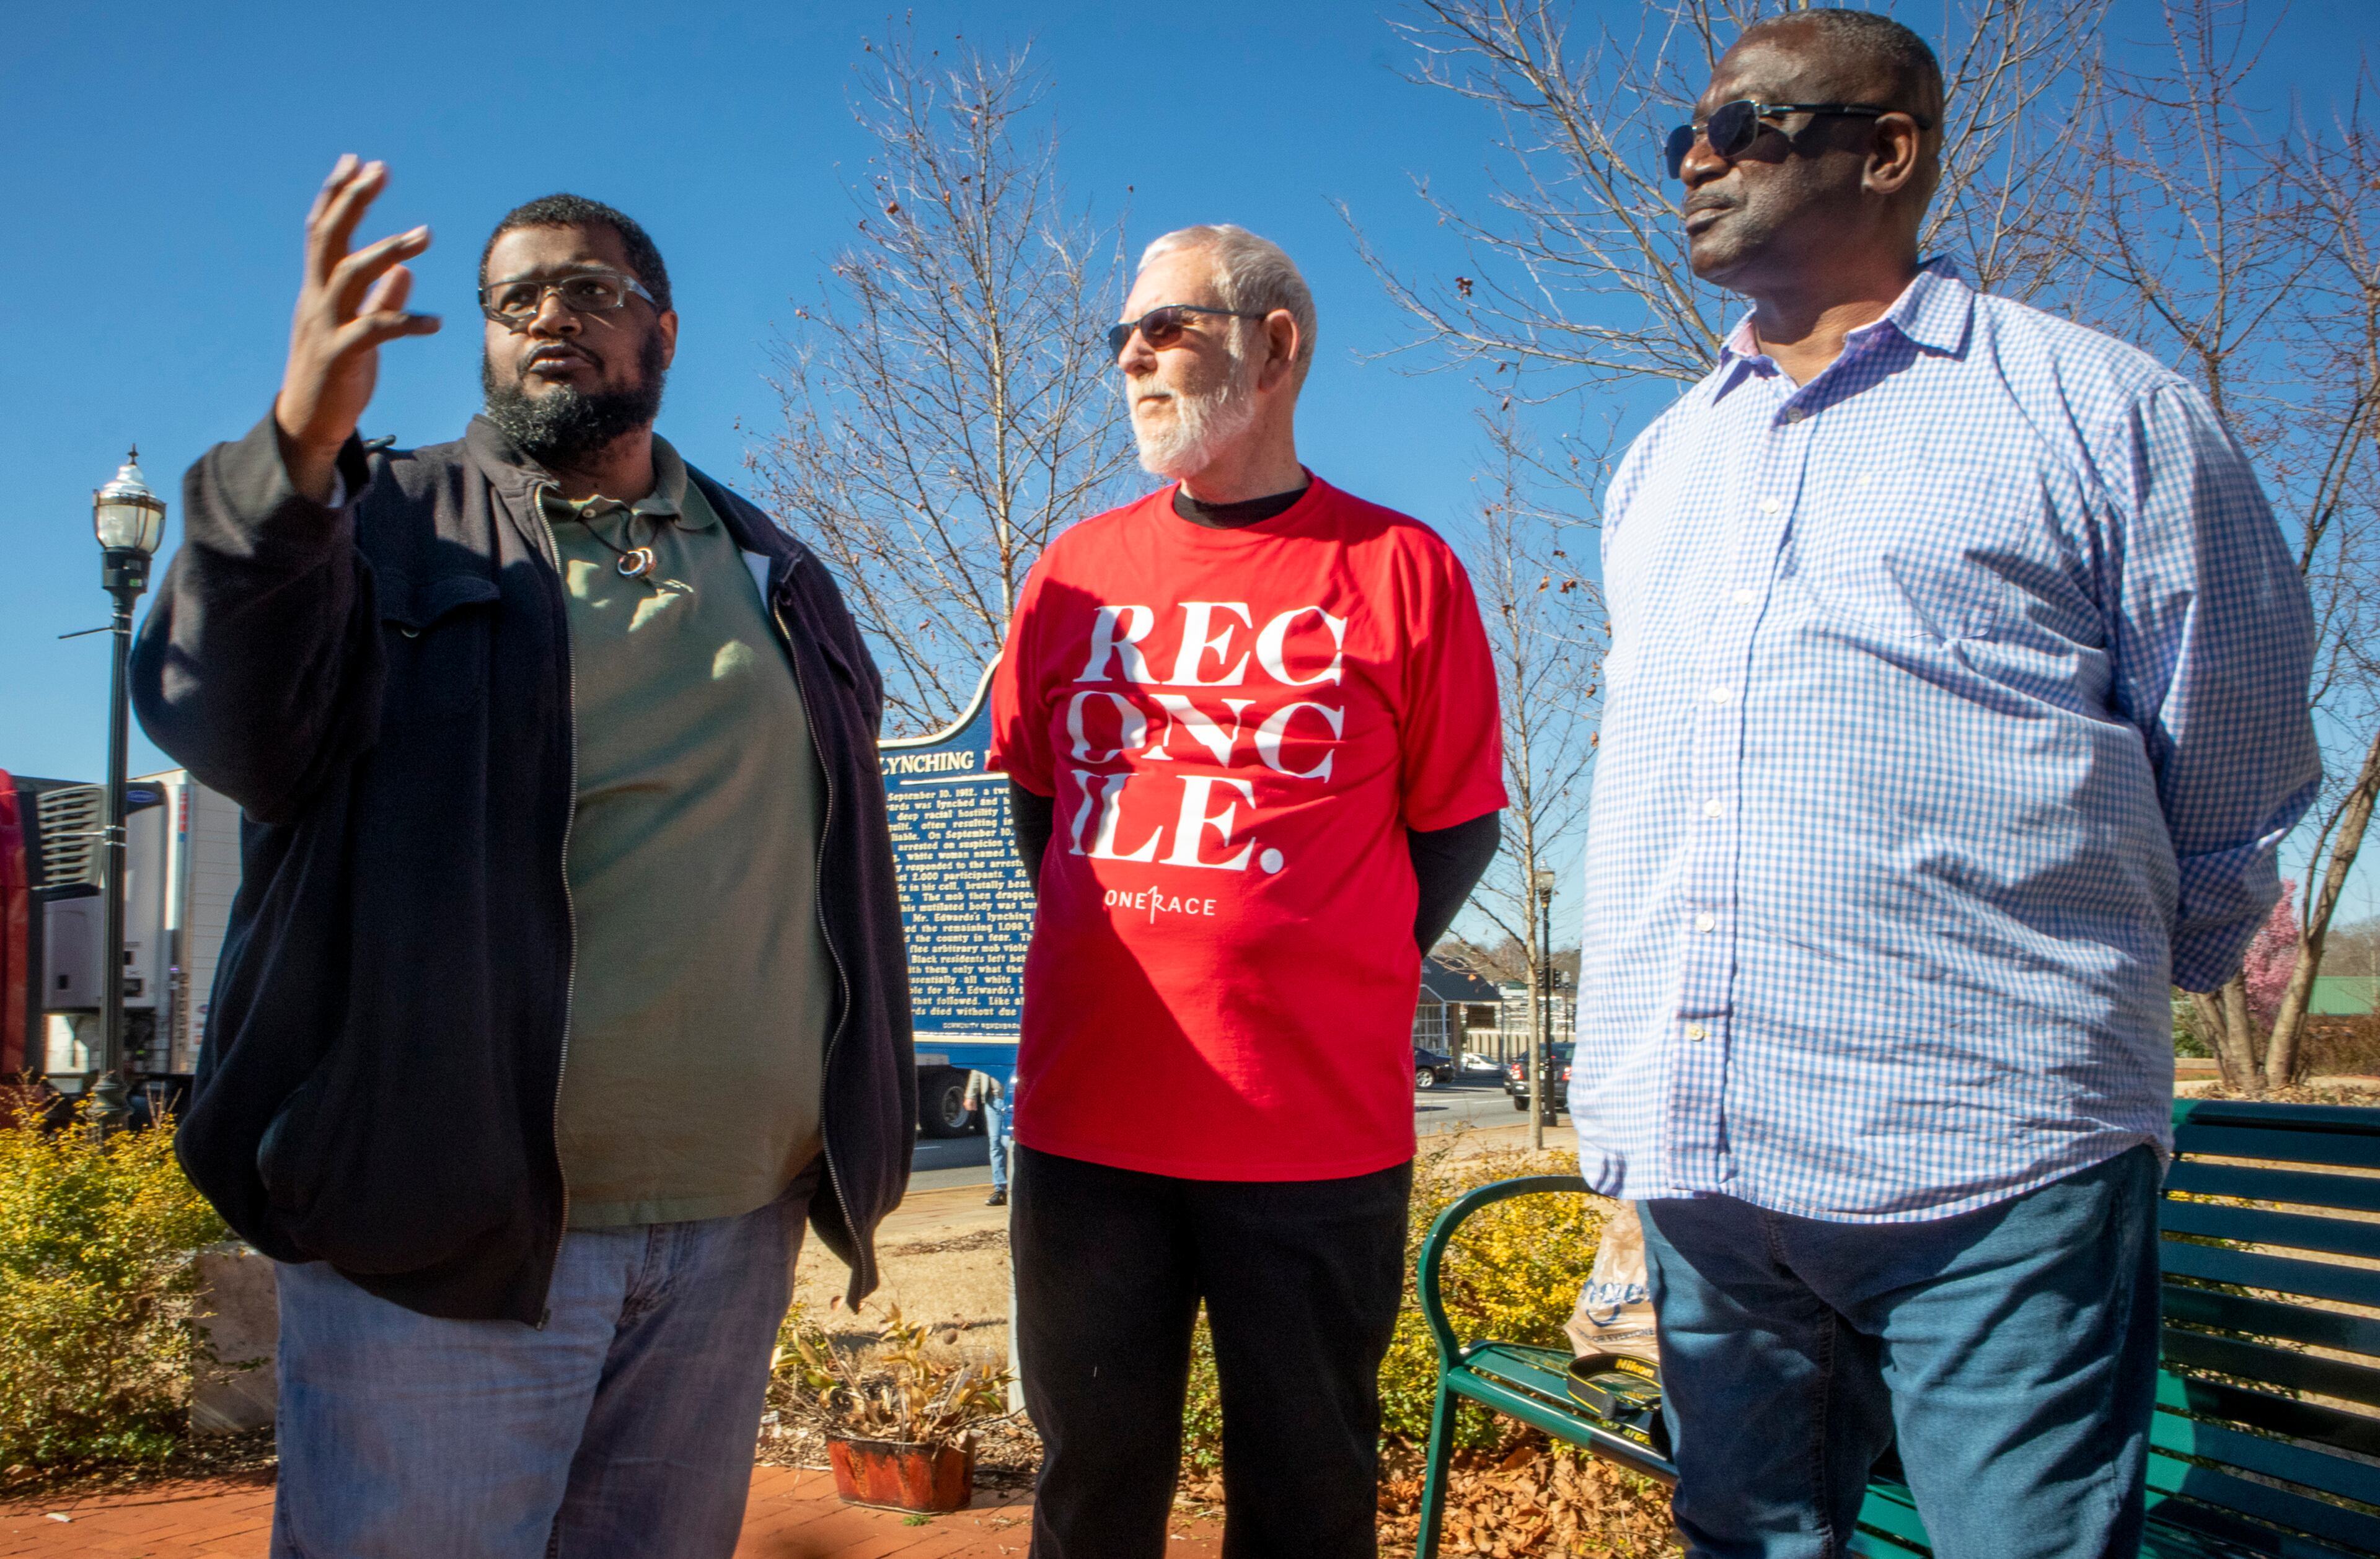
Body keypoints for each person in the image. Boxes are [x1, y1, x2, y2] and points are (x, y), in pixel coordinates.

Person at [1572, 14, 2320, 1558]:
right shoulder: (1658, 463)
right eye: (1683, 138)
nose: (1696, 160)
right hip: (1713, 1158)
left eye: (1746, 128)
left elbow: (2232, 751)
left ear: (1889, 152)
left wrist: (2094, 998)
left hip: (1995, 1156)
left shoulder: (2095, 412)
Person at [132, 159, 915, 1559]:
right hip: (440, 1230)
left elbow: (837, 863)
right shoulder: (379, 525)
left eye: (591, 289)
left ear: (662, 331)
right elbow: (220, 709)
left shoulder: (776, 566)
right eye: (513, 300)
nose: (549, 316)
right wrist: (293, 452)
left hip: (731, 1231)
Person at [989, 224, 1507, 1559]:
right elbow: (1039, 809)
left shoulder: (1407, 570)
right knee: (1090, 1492)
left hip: (1312, 1140)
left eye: (1171, 325)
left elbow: (1455, 830)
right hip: (1088, 1127)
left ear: (1275, 348)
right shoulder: (1070, 575)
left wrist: (1320, 965)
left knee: (1306, 1495)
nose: (1137, 356)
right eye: (1125, 337)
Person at [963, 1068, 1012, 1205]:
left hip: (1012, 1098)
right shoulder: (990, 1048)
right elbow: (978, 1068)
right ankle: (1000, 1190)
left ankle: (1015, 1188)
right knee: (996, 1143)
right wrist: (971, 1095)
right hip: (992, 1100)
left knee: (1008, 1142)